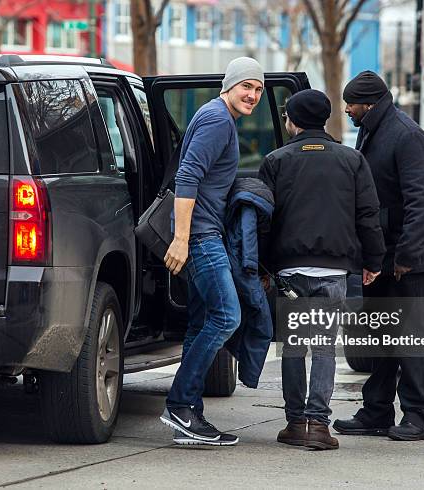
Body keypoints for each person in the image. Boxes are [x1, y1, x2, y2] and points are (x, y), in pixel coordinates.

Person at [258, 89, 385, 450]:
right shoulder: (352, 160)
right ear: (325, 119)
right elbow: (367, 216)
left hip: (289, 272)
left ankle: (295, 424)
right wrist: (373, 262)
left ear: (293, 121)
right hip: (334, 270)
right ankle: (318, 426)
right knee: (325, 348)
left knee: (295, 348)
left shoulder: (276, 160)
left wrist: (262, 266)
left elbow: (264, 221)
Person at [333, 70, 424, 441]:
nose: (347, 110)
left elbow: (422, 202)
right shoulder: (374, 129)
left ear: (369, 104)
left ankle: (418, 416)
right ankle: (376, 411)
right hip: (382, 256)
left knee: (410, 339)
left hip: (407, 261)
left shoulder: (408, 136)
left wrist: (406, 255)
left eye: (351, 104)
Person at [160, 57, 265, 446]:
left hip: (205, 233)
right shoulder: (218, 119)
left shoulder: (216, 116)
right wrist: (182, 238)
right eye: (246, 87)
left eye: (258, 89)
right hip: (201, 237)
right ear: (229, 86)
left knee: (201, 321)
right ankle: (180, 404)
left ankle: (189, 416)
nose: (253, 95)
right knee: (226, 316)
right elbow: (188, 175)